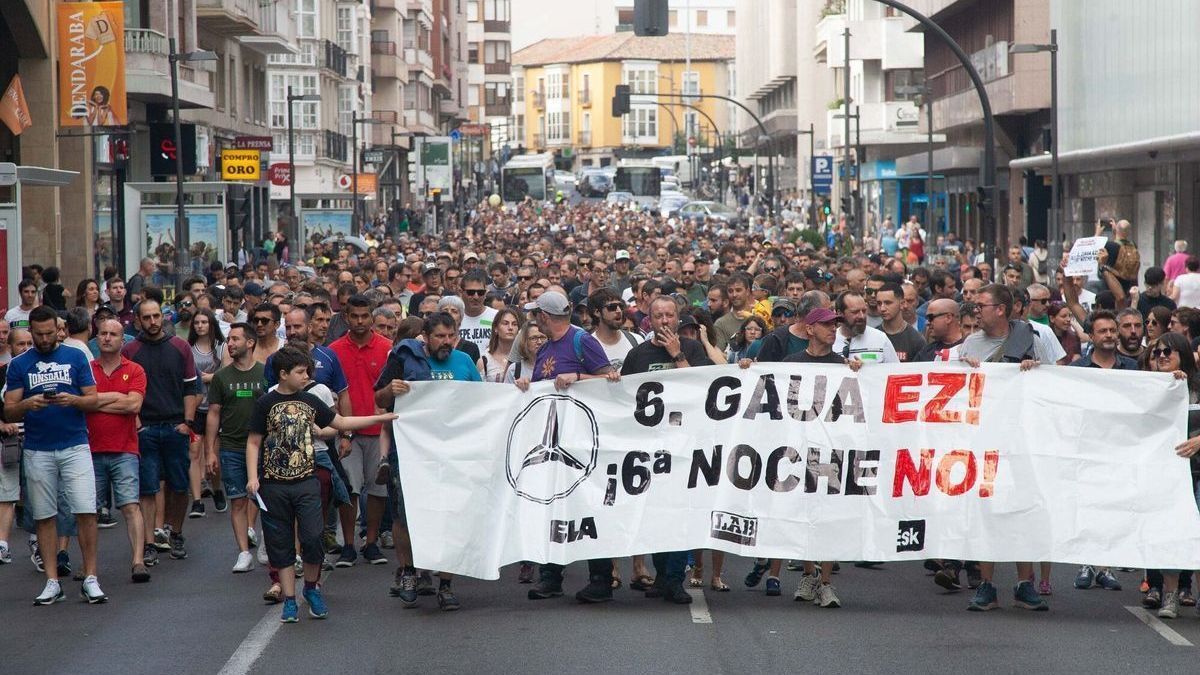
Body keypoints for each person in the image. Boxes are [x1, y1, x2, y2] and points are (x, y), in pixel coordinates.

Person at [246, 345, 397, 623]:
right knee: (281, 543)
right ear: (283, 374)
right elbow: (254, 441)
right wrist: (253, 478)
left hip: (307, 480)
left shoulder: (311, 400)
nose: (306, 377)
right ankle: (290, 599)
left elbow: (340, 421)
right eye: (301, 372)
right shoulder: (264, 403)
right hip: (274, 484)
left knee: (314, 536)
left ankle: (312, 588)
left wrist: (380, 417)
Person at [513, 291, 619, 603]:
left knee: (587, 507)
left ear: (545, 316)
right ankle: (551, 576)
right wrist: (525, 387)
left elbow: (609, 381)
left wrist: (578, 377)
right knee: (551, 505)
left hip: (582, 441)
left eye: (536, 315)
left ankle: (600, 579)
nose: (534, 320)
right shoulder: (546, 348)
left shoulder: (581, 341)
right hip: (551, 438)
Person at [958, 284, 1057, 613]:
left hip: (1023, 441)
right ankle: (987, 584)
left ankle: (1025, 582)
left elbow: (1055, 387)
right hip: (984, 440)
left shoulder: (1032, 338)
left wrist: (1035, 371)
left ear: (1001, 309)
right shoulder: (971, 343)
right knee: (986, 511)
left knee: (1024, 509)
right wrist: (964, 369)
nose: (976, 312)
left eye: (981, 306)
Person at [374, 312, 483, 610]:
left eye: (451, 336)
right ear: (426, 337)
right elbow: (380, 400)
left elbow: (485, 404)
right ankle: (409, 571)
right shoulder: (404, 358)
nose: (447, 342)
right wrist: (391, 390)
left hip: (452, 453)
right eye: (440, 337)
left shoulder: (464, 362)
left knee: (450, 515)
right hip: (410, 451)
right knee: (404, 514)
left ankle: (446, 584)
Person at [4, 305, 102, 605]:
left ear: (58, 331)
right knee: (44, 515)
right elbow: (8, 407)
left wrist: (74, 399)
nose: (45, 339)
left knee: (85, 510)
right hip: (37, 447)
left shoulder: (75, 356)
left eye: (50, 333)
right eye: (39, 335)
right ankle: (51, 580)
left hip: (74, 443)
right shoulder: (19, 364)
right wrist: (27, 405)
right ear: (30, 332)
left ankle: (90, 577)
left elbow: (93, 399)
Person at [619, 296, 712, 605]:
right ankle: (661, 576)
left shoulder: (693, 349)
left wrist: (677, 356)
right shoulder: (637, 355)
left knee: (680, 513)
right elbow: (625, 398)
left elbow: (703, 391)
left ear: (677, 317)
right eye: (657, 316)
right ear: (649, 318)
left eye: (669, 316)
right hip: (650, 448)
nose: (664, 321)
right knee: (656, 514)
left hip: (684, 445)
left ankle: (675, 579)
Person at [779, 307, 865, 608]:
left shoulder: (843, 365)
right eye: (827, 325)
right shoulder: (791, 363)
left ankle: (826, 582)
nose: (833, 330)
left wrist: (858, 373)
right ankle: (808, 574)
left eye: (835, 325)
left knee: (828, 515)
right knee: (804, 514)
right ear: (810, 329)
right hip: (798, 450)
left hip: (832, 451)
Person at [122, 299, 200, 562]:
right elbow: (124, 393)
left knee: (179, 486)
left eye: (156, 316)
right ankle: (149, 543)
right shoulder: (130, 350)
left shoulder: (180, 347)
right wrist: (137, 425)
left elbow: (192, 388)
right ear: (138, 320)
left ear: (163, 317)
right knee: (147, 487)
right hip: (145, 429)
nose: (153, 321)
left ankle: (175, 532)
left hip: (174, 426)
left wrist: (186, 424)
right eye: (147, 317)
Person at [1066, 310, 1134, 596]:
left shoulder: (1132, 368)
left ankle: (1105, 567)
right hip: (1087, 449)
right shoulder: (1079, 369)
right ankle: (1086, 564)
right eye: (1102, 331)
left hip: (1120, 450)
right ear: (1091, 337)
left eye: (1111, 331)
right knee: (1087, 507)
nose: (1109, 336)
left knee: (1111, 508)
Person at [328, 294, 393, 567]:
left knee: (377, 489)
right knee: (349, 489)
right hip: (348, 432)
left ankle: (371, 542)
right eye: (354, 316)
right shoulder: (333, 350)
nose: (359, 321)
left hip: (380, 432)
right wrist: (342, 431)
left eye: (364, 316)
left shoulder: (388, 348)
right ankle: (349, 544)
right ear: (345, 317)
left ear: (371, 317)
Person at [87, 318, 150, 583]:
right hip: (90, 449)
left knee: (130, 506)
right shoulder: (87, 369)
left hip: (125, 448)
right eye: (103, 333)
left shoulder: (135, 370)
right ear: (97, 337)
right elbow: (81, 403)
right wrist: (117, 400)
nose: (107, 338)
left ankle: (138, 561)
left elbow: (133, 406)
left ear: (122, 340)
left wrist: (96, 401)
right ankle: (88, 567)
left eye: (113, 334)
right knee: (87, 511)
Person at [204, 322, 267, 577]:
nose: (230, 344)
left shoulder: (265, 373)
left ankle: (266, 544)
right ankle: (244, 553)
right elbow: (213, 414)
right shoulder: (221, 377)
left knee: (266, 499)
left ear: (250, 343)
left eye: (235, 339)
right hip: (231, 447)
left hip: (263, 447)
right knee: (238, 501)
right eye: (229, 340)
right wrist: (210, 451)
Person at [187, 308, 226, 519]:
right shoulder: (188, 348)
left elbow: (224, 373)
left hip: (215, 407)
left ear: (211, 325)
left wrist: (207, 377)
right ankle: (197, 501)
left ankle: (217, 488)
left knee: (213, 453)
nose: (200, 326)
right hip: (195, 406)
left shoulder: (220, 347)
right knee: (194, 452)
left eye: (204, 322)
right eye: (197, 322)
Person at [832, 292, 898, 364]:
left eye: (864, 311)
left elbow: (896, 371)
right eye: (855, 312)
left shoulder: (880, 338)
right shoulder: (830, 340)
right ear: (840, 313)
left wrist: (865, 369)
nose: (861, 316)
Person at [587, 287, 642, 372]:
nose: (619, 311)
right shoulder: (587, 345)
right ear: (597, 312)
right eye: (612, 307)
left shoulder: (637, 340)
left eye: (620, 306)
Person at [876, 282, 926, 362]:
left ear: (902, 304)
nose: (882, 308)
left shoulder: (916, 340)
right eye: (879, 303)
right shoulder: (874, 336)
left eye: (888, 303)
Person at [478, 308, 522, 382]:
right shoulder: (484, 360)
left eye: (514, 324)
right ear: (496, 328)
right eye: (505, 323)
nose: (510, 328)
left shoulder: (524, 357)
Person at [458, 271, 497, 352]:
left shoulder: (496, 316)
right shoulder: (454, 318)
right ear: (461, 292)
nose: (476, 297)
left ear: (486, 293)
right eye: (471, 292)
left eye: (480, 292)